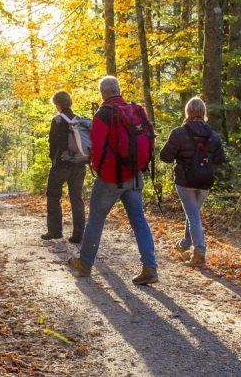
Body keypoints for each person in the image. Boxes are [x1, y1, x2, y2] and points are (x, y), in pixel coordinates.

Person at [67, 76, 159, 285]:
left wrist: (97, 168)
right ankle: (150, 268)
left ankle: (85, 263)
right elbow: (150, 137)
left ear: (103, 94)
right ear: (119, 90)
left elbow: (97, 146)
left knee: (96, 221)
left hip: (110, 178)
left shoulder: (103, 114)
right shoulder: (136, 110)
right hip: (134, 175)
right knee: (139, 222)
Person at [159, 97, 225, 268]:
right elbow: (220, 160)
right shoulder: (213, 136)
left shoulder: (179, 133)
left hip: (185, 181)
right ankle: (185, 243)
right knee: (193, 213)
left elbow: (165, 157)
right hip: (205, 182)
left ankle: (199, 251)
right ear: (204, 113)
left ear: (187, 112)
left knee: (193, 215)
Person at [42, 90, 87, 243]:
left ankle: (55, 231)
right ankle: (79, 234)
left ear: (57, 104)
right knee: (77, 198)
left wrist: (53, 160)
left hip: (61, 165)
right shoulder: (79, 120)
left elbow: (52, 144)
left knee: (53, 196)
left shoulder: (58, 120)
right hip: (79, 164)